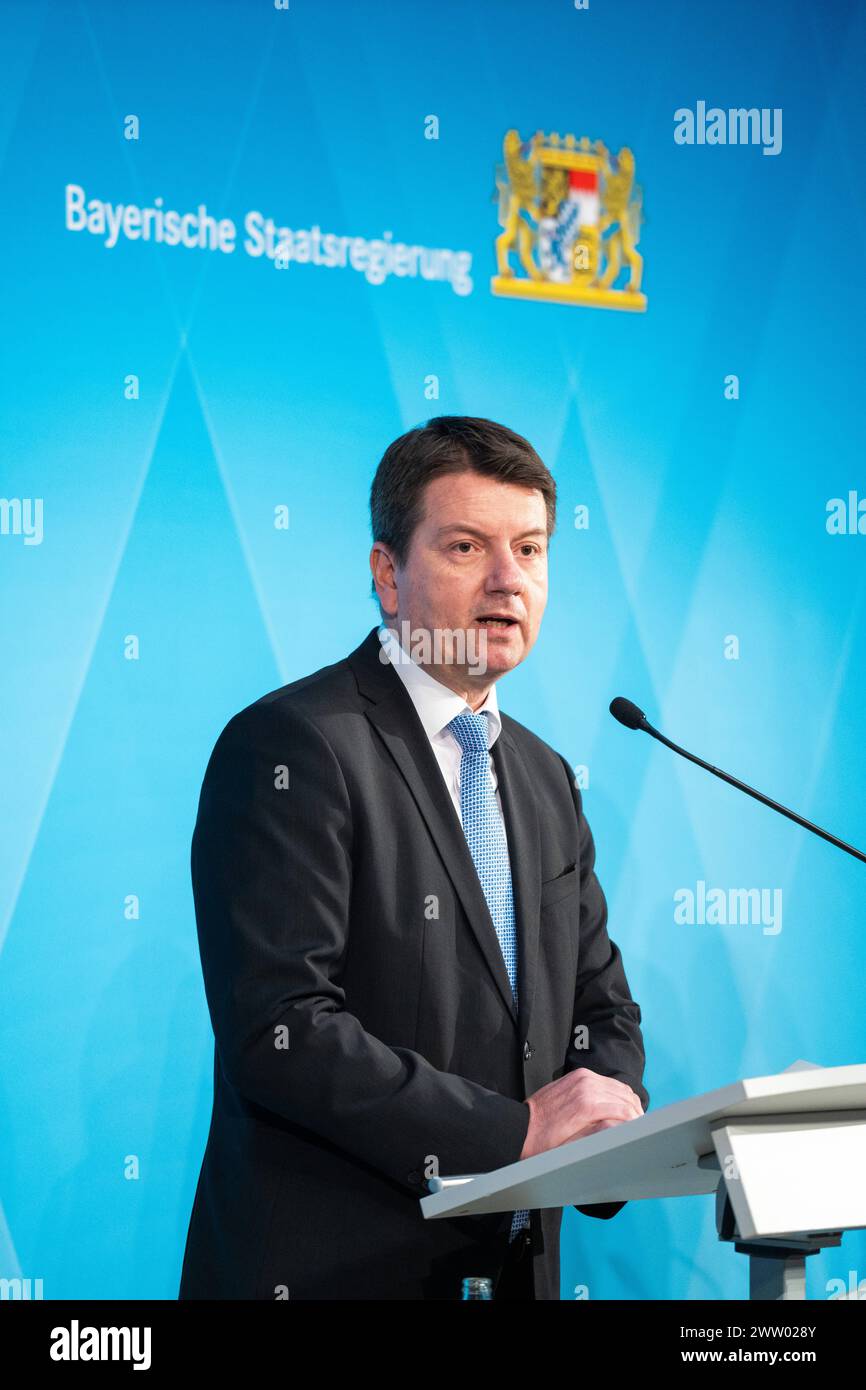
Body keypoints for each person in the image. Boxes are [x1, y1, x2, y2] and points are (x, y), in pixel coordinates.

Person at [178, 415, 648, 1301]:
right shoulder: (294, 744)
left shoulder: (546, 777)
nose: (509, 581)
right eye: (467, 546)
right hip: (337, 1276)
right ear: (387, 573)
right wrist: (513, 1135)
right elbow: (281, 1029)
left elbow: (601, 1005)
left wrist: (603, 1127)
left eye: (532, 550)